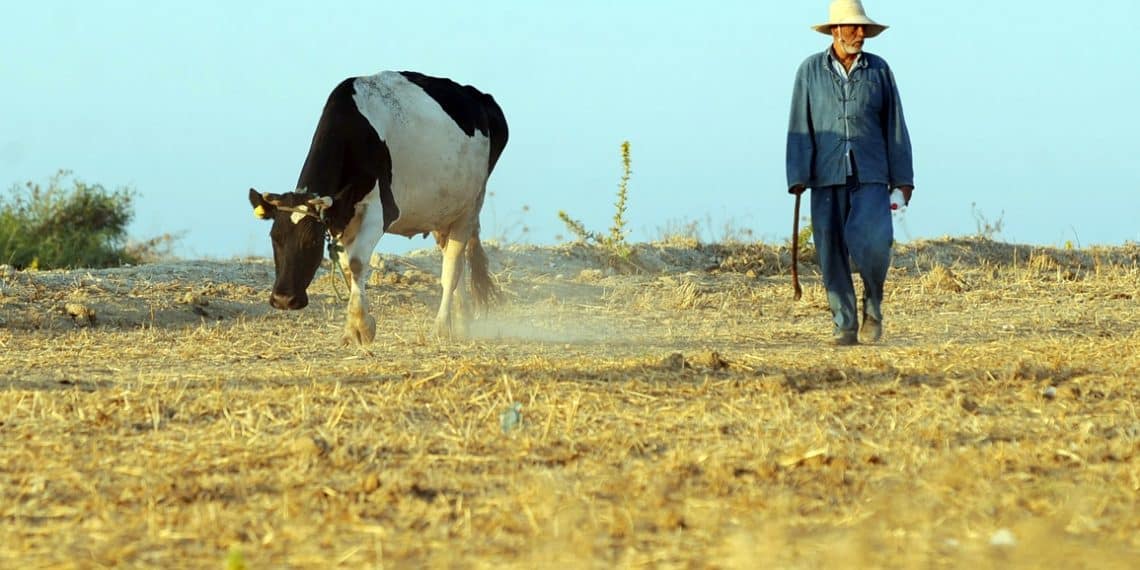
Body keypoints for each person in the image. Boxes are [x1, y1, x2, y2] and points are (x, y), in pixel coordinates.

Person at [786, 0, 914, 346]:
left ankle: (873, 309)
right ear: (835, 30)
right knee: (831, 251)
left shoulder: (879, 71)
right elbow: (800, 124)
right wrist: (797, 174)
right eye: (854, 28)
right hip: (826, 175)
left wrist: (903, 180)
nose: (861, 34)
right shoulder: (809, 72)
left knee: (874, 245)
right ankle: (844, 325)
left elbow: (895, 126)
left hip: (871, 173)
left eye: (864, 29)